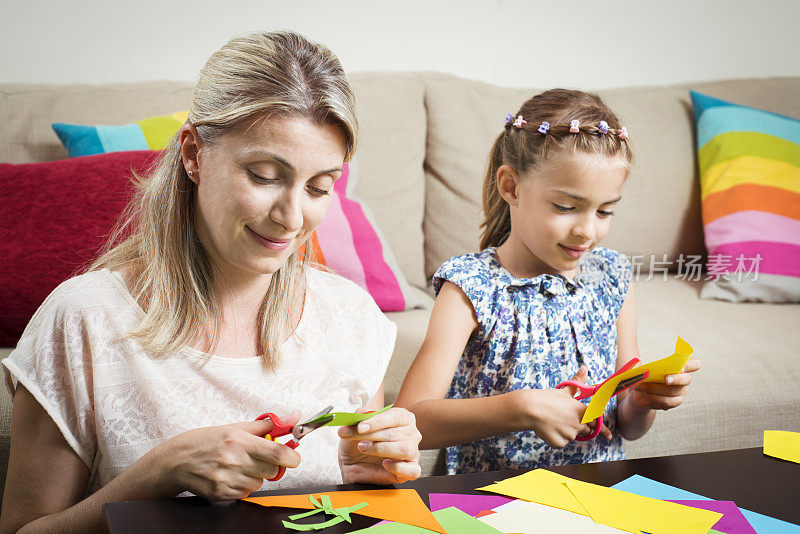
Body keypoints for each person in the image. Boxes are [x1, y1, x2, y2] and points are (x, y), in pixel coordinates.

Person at [0, 31, 422, 533]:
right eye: (264, 175)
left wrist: (372, 481)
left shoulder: (353, 318)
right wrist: (159, 472)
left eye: (319, 187)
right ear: (194, 154)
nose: (292, 217)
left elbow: (359, 512)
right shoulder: (84, 319)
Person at [396, 89, 700, 474]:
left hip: (598, 488)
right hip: (493, 497)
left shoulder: (614, 278)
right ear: (512, 187)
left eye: (605, 211)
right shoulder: (470, 287)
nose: (587, 231)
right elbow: (410, 421)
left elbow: (628, 427)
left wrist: (641, 400)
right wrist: (521, 407)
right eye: (565, 207)